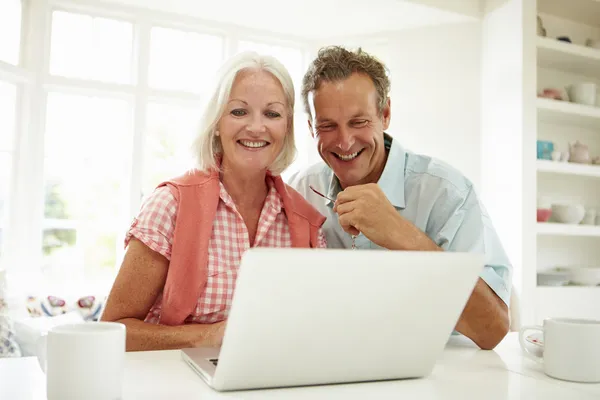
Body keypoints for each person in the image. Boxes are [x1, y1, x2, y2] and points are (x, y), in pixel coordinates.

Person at [287, 46, 512, 350]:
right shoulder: (301, 190)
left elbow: (492, 329)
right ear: (312, 127)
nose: (344, 141)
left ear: (385, 114)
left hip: (439, 370)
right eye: (327, 125)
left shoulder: (447, 193)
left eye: (359, 122)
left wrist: (400, 234)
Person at [101, 52, 327, 351]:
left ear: (286, 128)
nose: (256, 127)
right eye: (238, 112)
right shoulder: (170, 205)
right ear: (216, 122)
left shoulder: (306, 221)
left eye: (272, 114)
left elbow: (315, 327)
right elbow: (113, 332)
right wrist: (205, 336)